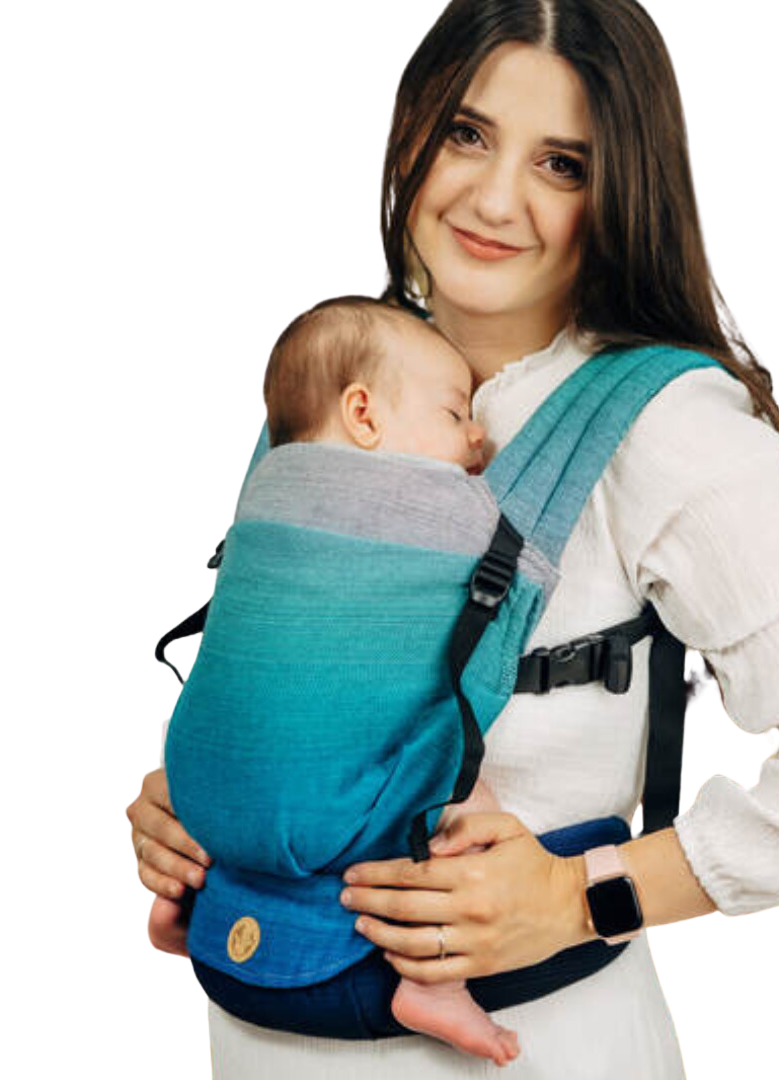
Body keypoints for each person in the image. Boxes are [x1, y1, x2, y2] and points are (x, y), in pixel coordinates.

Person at [127, 2, 779, 1075]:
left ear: (619, 192)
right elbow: (303, 679)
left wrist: (587, 896)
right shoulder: (342, 382)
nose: (494, 199)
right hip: (255, 1027)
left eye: (562, 164)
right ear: (411, 133)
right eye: (467, 134)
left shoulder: (665, 427)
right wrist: (196, 806)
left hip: (536, 1048)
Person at [151, 295, 531, 1065]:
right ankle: (429, 979)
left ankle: (183, 899)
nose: (477, 436)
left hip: (198, 784)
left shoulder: (267, 489)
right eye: (455, 412)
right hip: (345, 812)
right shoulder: (433, 507)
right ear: (363, 415)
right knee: (467, 806)